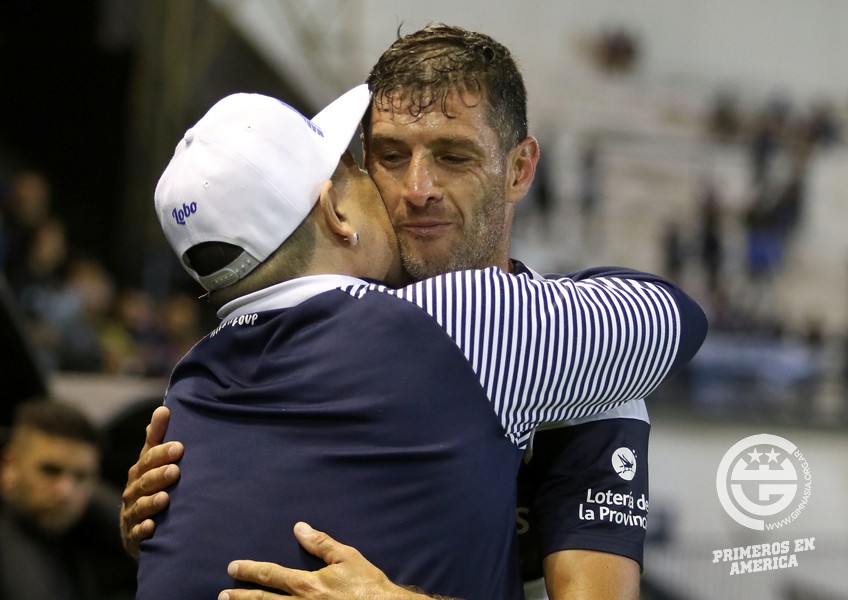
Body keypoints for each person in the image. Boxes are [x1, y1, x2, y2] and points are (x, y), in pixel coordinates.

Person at [123, 24, 701, 600]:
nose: (417, 188)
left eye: (453, 156)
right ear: (340, 200)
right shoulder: (445, 327)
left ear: (520, 170)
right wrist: (167, 522)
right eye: (390, 157)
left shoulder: (581, 357)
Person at [0, 399, 135, 599]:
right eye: (50, 471)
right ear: (10, 463)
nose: (65, 492)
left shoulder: (95, 526)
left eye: (81, 477)